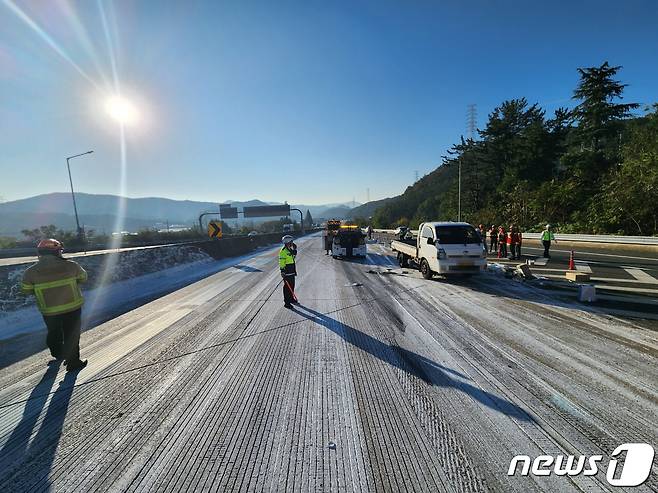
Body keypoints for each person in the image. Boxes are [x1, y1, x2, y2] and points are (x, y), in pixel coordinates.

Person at [21, 239, 88, 371]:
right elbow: (83, 278)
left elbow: (26, 290)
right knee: (71, 333)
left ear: (40, 253)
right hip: (72, 307)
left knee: (53, 332)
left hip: (49, 310)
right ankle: (73, 362)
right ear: (58, 251)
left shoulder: (31, 272)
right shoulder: (71, 265)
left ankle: (58, 353)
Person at [279, 235, 298, 308]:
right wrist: (282, 271)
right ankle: (286, 303)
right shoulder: (283, 251)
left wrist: (294, 251)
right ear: (287, 242)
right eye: (291, 242)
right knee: (287, 287)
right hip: (286, 271)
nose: (292, 243)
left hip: (292, 270)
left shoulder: (289, 249)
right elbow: (281, 262)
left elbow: (292, 258)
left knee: (292, 285)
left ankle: (291, 299)